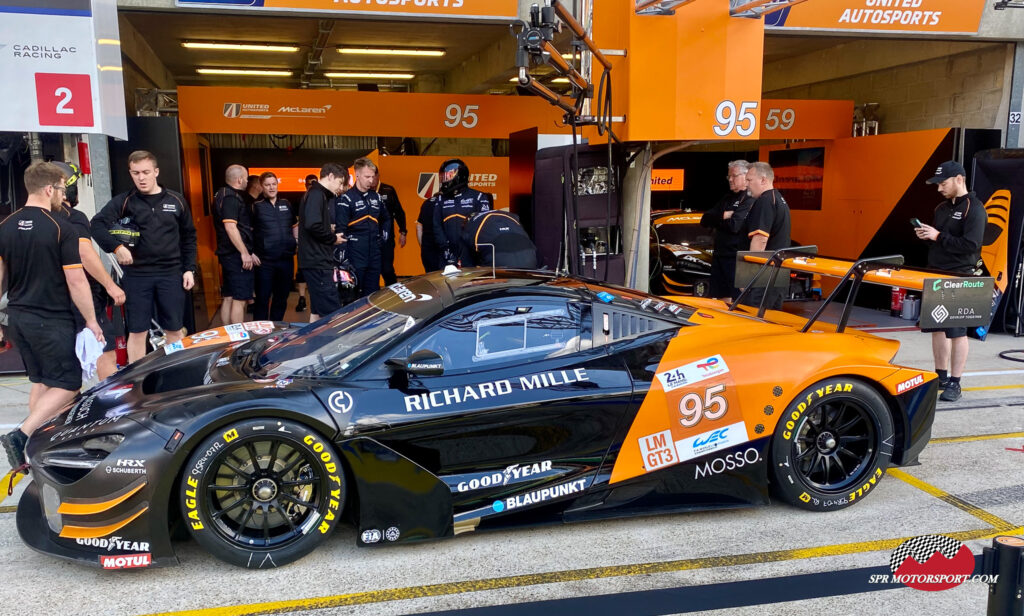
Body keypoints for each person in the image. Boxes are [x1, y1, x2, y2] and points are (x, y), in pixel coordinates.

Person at [0, 163, 103, 469]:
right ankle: (22, 435)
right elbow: (76, 280)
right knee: (68, 383)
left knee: (44, 381)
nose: (62, 194)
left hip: (18, 318)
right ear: (49, 189)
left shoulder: (6, 225)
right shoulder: (62, 227)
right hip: (51, 319)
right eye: (60, 189)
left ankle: (36, 446)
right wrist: (92, 320)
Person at [91, 151, 196, 364]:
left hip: (171, 273)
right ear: (131, 174)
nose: (141, 177)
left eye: (146, 172)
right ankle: (136, 380)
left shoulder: (176, 200)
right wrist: (117, 247)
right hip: (137, 275)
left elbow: (189, 237)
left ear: (156, 172)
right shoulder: (125, 201)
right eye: (136, 173)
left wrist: (189, 268)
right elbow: (96, 224)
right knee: (138, 331)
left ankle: (175, 374)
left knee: (174, 329)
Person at [916, 160, 986, 402]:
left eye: (943, 184)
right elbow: (940, 240)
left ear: (959, 179)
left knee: (957, 332)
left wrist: (939, 236)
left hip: (960, 276)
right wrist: (928, 236)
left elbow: (971, 246)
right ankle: (940, 376)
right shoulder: (941, 208)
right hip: (936, 273)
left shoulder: (975, 208)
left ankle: (956, 382)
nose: (939, 189)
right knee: (937, 329)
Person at [53, 162, 126, 380]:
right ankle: (113, 411)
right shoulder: (73, 217)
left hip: (48, 303)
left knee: (54, 378)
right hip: (82, 297)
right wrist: (110, 285)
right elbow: (84, 254)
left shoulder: (32, 219)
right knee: (106, 356)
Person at [298, 163, 347, 321]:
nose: (340, 188)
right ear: (330, 176)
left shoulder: (316, 194)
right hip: (317, 262)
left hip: (314, 260)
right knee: (332, 313)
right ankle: (335, 345)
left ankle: (314, 344)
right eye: (340, 182)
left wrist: (328, 229)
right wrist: (332, 238)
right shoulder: (316, 195)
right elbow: (313, 225)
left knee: (317, 310)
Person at [336, 158, 391, 299]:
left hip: (374, 252)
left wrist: (384, 234)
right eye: (367, 177)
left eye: (373, 177)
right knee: (353, 294)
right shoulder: (346, 199)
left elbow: (386, 218)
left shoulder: (377, 198)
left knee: (373, 294)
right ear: (357, 175)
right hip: (355, 252)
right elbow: (340, 230)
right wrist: (343, 256)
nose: (371, 180)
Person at [700, 160, 754, 300]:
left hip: (736, 258)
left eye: (734, 176)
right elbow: (705, 219)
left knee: (737, 299)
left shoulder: (749, 198)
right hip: (720, 255)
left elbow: (734, 226)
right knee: (719, 297)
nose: (730, 179)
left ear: (745, 175)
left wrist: (720, 220)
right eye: (728, 176)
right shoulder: (727, 198)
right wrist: (724, 215)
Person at [213, 165, 258, 326]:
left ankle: (228, 336)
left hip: (228, 254)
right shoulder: (231, 198)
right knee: (240, 298)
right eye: (246, 178)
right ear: (239, 180)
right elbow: (230, 227)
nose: (247, 181)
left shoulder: (221, 194)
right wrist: (244, 252)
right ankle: (238, 340)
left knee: (229, 296)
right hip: (235, 256)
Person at [742, 162, 791, 310]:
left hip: (764, 276)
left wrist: (748, 277)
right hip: (777, 274)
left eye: (750, 180)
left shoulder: (765, 201)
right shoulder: (779, 199)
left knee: (755, 319)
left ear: (763, 180)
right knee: (772, 319)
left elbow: (760, 239)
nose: (747, 185)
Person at [252, 172, 297, 321]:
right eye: (267, 185)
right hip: (265, 261)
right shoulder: (255, 206)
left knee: (282, 298)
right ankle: (260, 335)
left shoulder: (286, 204)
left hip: (286, 259)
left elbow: (295, 224)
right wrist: (250, 252)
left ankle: (276, 331)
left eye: (274, 184)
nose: (271, 188)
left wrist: (295, 240)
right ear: (261, 187)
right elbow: (247, 231)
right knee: (262, 299)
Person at [431, 159, 492, 268]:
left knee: (471, 284)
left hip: (471, 253)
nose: (445, 180)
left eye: (448, 176)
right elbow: (437, 227)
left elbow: (484, 226)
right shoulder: (440, 199)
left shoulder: (478, 197)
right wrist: (445, 248)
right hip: (447, 254)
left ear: (460, 176)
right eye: (443, 177)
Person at [461, 210, 537, 268]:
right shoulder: (509, 216)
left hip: (498, 266)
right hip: (530, 260)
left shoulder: (471, 225)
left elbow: (467, 264)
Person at [376, 171, 407, 285]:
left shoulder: (388, 190)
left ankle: (394, 293)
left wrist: (403, 232)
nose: (371, 180)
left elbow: (399, 212)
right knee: (373, 271)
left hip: (387, 237)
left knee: (387, 269)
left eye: (373, 176)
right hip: (370, 237)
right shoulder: (366, 191)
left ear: (378, 176)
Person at [293, 174, 319, 312]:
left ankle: (315, 300)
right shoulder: (300, 199)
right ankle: (302, 298)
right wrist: (297, 240)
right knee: (301, 271)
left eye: (314, 183)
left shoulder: (322, 198)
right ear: (305, 184)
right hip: (304, 242)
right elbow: (295, 223)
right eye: (309, 183)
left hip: (318, 243)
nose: (311, 185)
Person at [417, 195, 441, 273]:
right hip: (442, 244)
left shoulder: (426, 203)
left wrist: (423, 246)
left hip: (427, 245)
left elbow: (419, 227)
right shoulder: (446, 202)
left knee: (430, 274)